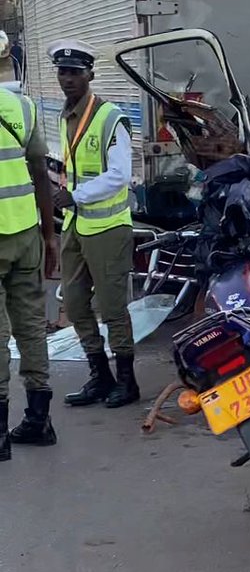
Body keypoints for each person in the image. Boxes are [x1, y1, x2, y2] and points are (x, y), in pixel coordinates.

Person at [48, 40, 139, 409]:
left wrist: (77, 195)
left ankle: (127, 381)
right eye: (62, 72)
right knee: (74, 302)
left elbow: (120, 175)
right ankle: (99, 374)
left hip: (107, 227)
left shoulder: (110, 117)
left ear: (90, 75)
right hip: (75, 226)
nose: (67, 79)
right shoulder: (65, 114)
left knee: (112, 306)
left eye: (75, 72)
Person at [0, 84, 57, 460]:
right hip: (25, 235)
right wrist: (50, 236)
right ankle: (39, 421)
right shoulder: (21, 106)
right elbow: (41, 174)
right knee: (31, 328)